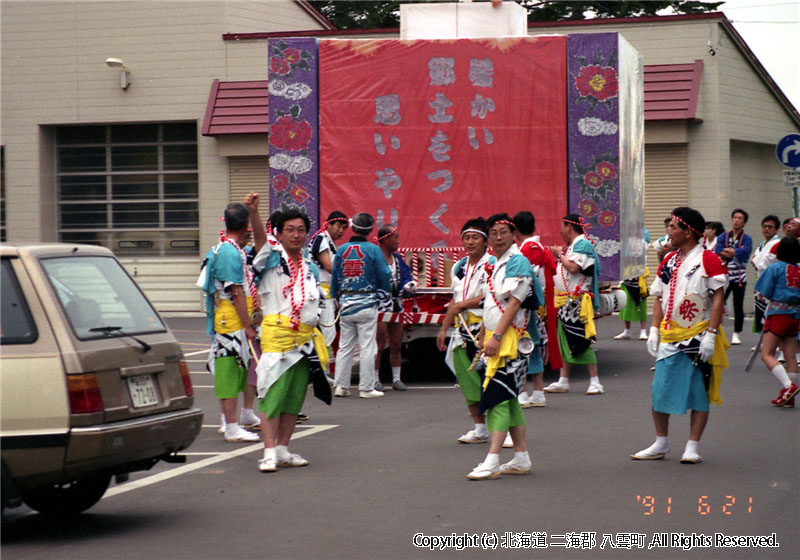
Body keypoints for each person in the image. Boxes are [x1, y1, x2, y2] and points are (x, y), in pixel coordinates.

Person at [633, 207, 729, 464]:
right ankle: (661, 441)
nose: (669, 231)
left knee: (698, 390)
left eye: (674, 226)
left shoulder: (708, 259)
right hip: (670, 333)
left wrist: (710, 333)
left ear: (689, 232)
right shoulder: (668, 260)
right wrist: (654, 328)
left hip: (698, 333)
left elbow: (717, 298)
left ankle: (692, 446)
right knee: (660, 389)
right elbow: (659, 297)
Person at [252, 208, 330, 472]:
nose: (296, 235)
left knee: (294, 397)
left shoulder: (309, 266)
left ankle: (283, 448)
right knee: (272, 393)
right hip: (278, 338)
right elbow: (261, 241)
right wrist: (254, 213)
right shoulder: (272, 259)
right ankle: (269, 451)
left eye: (301, 230)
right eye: (290, 230)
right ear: (279, 232)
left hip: (304, 339)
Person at [467, 213, 538, 480]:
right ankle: (520, 457)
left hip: (510, 340)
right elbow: (490, 304)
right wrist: (486, 335)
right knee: (509, 398)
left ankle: (493, 459)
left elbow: (514, 303)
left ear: (513, 234)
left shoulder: (517, 262)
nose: (498, 237)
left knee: (496, 397)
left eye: (503, 232)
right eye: (493, 233)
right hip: (498, 337)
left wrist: (495, 336)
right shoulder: (497, 263)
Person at [200, 202, 260, 443]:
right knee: (228, 370)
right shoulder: (229, 252)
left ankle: (232, 422)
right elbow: (235, 292)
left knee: (236, 370)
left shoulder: (229, 249)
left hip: (231, 319)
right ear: (246, 226)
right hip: (230, 320)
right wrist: (247, 325)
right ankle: (231, 425)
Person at [437, 218, 494, 443]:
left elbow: (490, 296)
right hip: (462, 330)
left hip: (484, 328)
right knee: (467, 379)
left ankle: (505, 427)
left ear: (485, 241)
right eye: (466, 238)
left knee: (492, 378)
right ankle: (479, 427)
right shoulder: (460, 266)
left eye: (475, 238)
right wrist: (443, 329)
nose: (470, 242)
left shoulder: (491, 264)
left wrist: (462, 305)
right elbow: (455, 300)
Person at [330, 213, 392, 398]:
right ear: (371, 229)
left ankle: (341, 386)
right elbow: (384, 274)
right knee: (367, 346)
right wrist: (386, 291)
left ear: (353, 227)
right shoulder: (373, 250)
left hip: (346, 304)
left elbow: (335, 276)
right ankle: (366, 387)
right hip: (366, 302)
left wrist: (336, 297)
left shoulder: (341, 250)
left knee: (345, 346)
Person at [545, 214, 604, 395]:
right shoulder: (573, 246)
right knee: (564, 339)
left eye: (562, 227)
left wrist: (559, 255)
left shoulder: (582, 245)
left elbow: (573, 268)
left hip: (576, 301)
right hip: (565, 301)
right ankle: (563, 380)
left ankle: (595, 381)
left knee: (581, 340)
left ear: (569, 227)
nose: (561, 231)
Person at [513, 210, 560, 407]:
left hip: (527, 305)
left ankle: (526, 391)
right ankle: (537, 392)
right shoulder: (534, 246)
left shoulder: (529, 248)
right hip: (533, 303)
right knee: (533, 346)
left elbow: (526, 278)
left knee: (524, 346)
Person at [755, 236, 800, 408]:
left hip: (778, 313)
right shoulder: (797, 270)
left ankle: (789, 387)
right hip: (794, 314)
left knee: (767, 354)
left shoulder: (776, 268)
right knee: (790, 356)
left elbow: (763, 290)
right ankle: (790, 397)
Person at [308, 211, 349, 379]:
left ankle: (322, 371)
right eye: (338, 227)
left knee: (327, 333)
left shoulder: (329, 241)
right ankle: (320, 372)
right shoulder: (322, 239)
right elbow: (329, 266)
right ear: (329, 224)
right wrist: (350, 274)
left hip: (328, 292)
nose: (341, 231)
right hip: (322, 293)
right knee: (326, 331)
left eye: (344, 228)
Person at [374, 225, 415, 391]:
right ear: (385, 239)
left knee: (396, 343)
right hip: (380, 305)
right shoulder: (375, 258)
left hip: (397, 304)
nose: (398, 241)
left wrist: (408, 286)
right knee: (378, 344)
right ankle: (375, 379)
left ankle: (397, 379)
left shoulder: (398, 260)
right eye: (395, 237)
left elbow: (406, 276)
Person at [713, 208, 753, 345]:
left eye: (739, 218)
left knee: (738, 305)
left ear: (744, 223)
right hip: (724, 275)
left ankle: (736, 333)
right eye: (734, 217)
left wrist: (731, 252)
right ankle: (716, 328)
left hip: (739, 276)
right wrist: (733, 252)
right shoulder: (724, 235)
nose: (736, 220)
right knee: (718, 302)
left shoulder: (746, 238)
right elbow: (717, 250)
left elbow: (745, 252)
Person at [615, 228, 651, 341]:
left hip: (639, 273)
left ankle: (643, 331)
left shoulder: (643, 234)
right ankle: (627, 330)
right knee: (626, 302)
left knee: (641, 302)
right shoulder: (625, 238)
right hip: (627, 272)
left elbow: (646, 249)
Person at [751, 215, 781, 333]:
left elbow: (764, 264)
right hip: (760, 281)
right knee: (760, 312)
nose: (766, 229)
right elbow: (753, 260)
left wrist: (756, 262)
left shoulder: (777, 243)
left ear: (776, 230)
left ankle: (772, 341)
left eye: (770, 227)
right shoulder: (761, 244)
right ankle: (763, 340)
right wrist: (756, 262)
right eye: (764, 226)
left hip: (770, 283)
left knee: (769, 313)